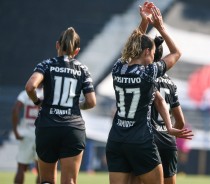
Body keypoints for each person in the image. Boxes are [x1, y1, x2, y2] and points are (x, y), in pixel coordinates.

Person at [106, 3, 191, 184]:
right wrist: (161, 28)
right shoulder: (148, 73)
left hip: (116, 139)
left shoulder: (118, 68)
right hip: (140, 140)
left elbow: (130, 48)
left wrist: (143, 22)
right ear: (147, 52)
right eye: (152, 53)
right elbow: (176, 53)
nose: (153, 57)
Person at [25, 27, 96, 184]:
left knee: (46, 180)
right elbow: (91, 102)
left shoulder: (46, 64)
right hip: (73, 128)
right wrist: (78, 105)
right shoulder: (83, 70)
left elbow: (30, 87)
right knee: (69, 181)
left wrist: (37, 102)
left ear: (57, 45)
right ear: (76, 51)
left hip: (48, 125)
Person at [129, 36, 194, 184]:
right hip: (167, 142)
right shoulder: (170, 84)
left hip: (146, 140)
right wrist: (168, 133)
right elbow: (180, 121)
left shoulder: (143, 76)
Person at [12, 87, 43, 184]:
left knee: (21, 168)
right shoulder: (48, 93)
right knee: (41, 171)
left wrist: (16, 131)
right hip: (42, 133)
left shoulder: (25, 93)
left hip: (26, 133)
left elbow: (15, 109)